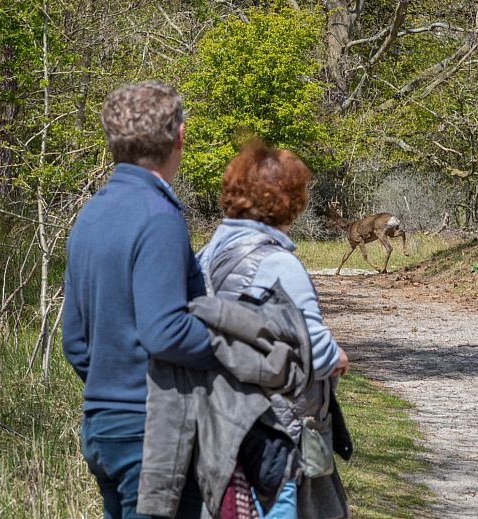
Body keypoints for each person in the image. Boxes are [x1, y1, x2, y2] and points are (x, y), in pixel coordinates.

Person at [62, 81, 214, 519]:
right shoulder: (159, 216)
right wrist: (232, 348)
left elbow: (75, 343)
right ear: (179, 136)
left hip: (102, 429)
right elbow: (164, 330)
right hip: (151, 433)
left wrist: (113, 389)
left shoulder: (90, 214)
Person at [197, 138, 350, 519]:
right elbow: (314, 352)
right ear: (289, 201)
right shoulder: (279, 264)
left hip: (221, 429)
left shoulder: (205, 255)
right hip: (277, 434)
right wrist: (338, 355)